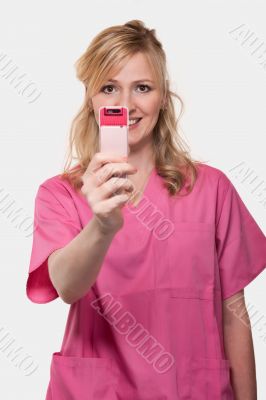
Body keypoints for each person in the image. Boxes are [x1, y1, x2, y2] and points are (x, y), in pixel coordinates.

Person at [26, 19, 266, 400]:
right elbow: (67, 287)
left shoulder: (212, 188)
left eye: (142, 87)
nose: (126, 105)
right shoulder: (60, 194)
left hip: (191, 390)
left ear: (163, 98)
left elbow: (234, 313)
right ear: (92, 100)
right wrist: (102, 225)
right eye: (109, 88)